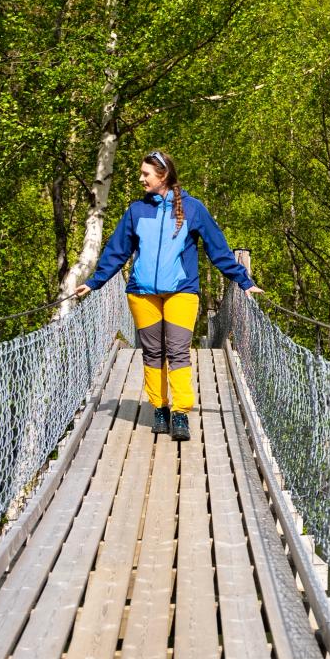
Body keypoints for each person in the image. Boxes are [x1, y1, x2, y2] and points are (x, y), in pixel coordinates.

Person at [74, 150, 261, 442]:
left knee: (177, 352)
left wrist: (243, 281)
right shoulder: (136, 211)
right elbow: (117, 251)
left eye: (146, 174)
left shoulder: (193, 209)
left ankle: (181, 412)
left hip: (182, 293)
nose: (141, 179)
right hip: (142, 294)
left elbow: (218, 250)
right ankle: (160, 407)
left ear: (163, 175)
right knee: (152, 353)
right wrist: (95, 282)